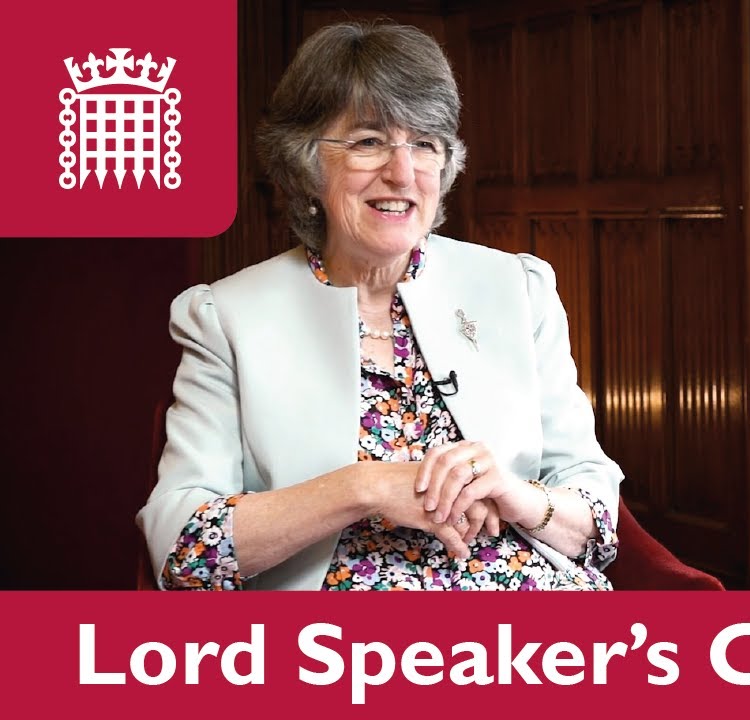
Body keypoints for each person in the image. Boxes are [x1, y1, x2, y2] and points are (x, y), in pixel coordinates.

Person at [137, 22, 623, 591]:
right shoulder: (226, 317)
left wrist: (519, 497)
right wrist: (361, 488)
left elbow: (596, 518)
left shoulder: (517, 288)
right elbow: (182, 551)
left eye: (424, 144)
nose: (402, 171)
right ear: (307, 165)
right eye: (368, 141)